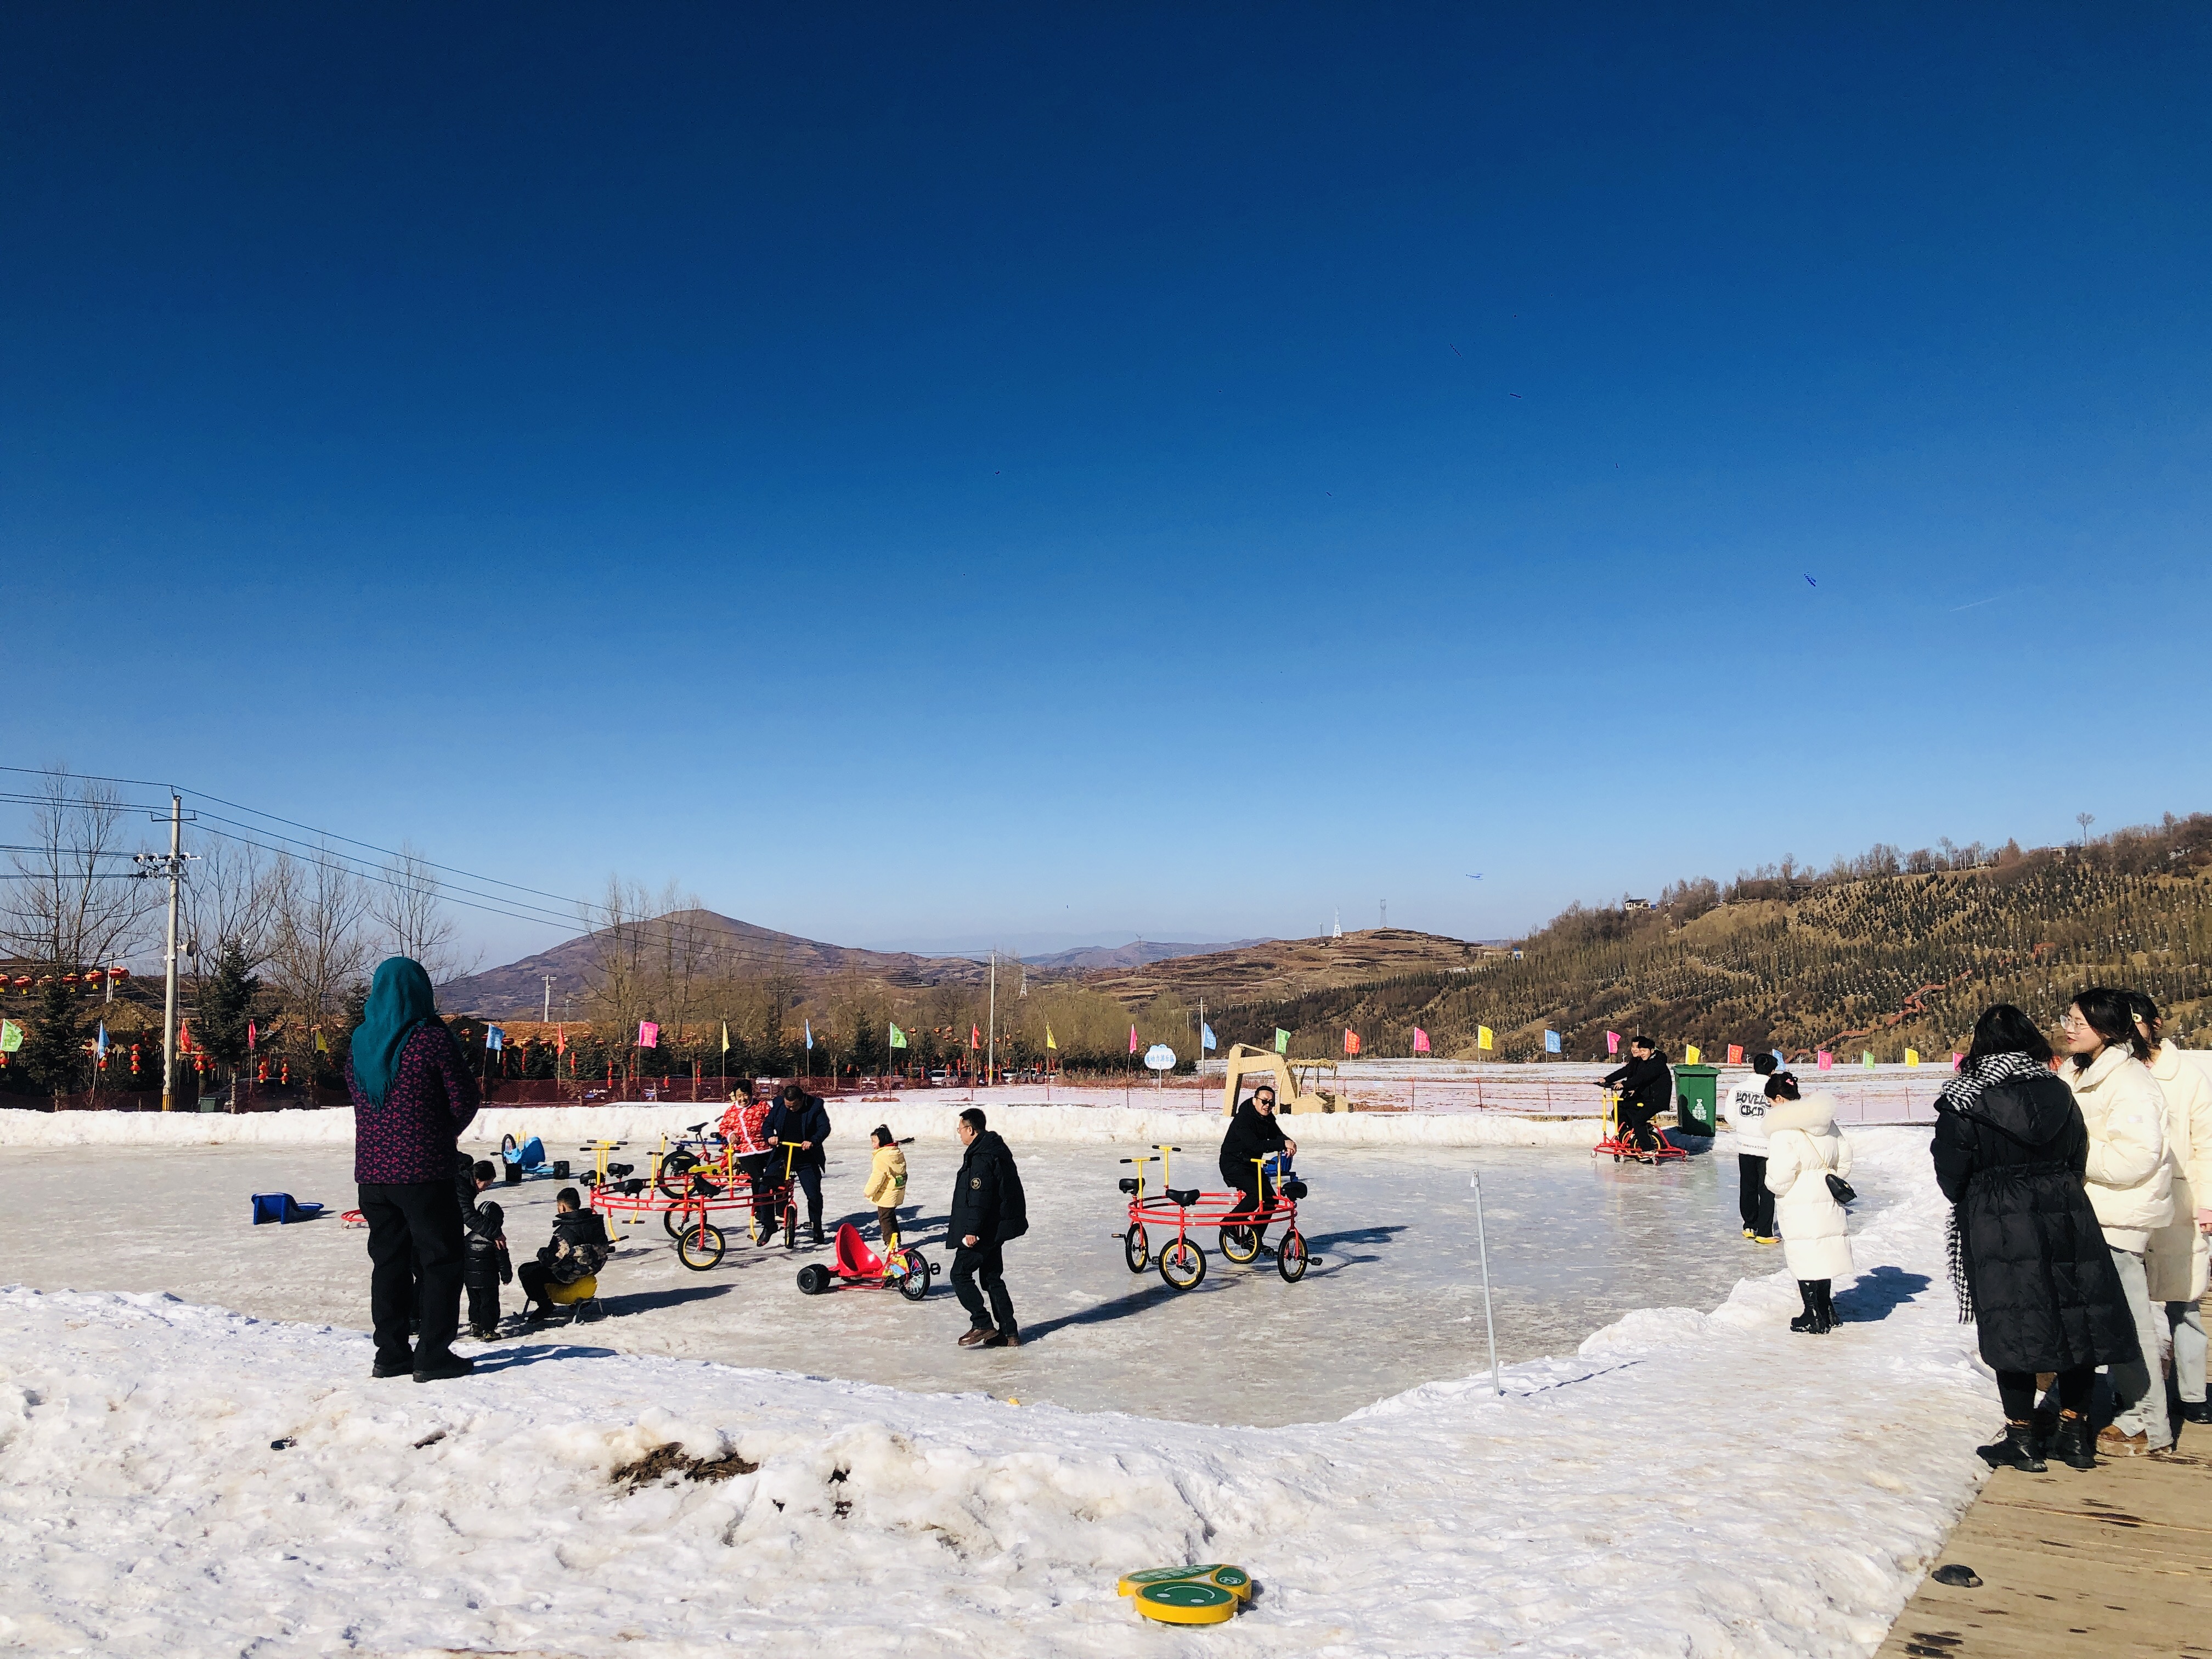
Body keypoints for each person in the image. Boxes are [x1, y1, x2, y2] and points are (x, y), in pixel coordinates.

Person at [1933, 1003, 2139, 1472]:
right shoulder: (2059, 1090)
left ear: (1980, 1046)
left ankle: (2023, 1440)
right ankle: (2075, 1435)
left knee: (2014, 1324)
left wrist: (1981, 1196)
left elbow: (1951, 1173)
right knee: (2075, 1321)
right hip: (2065, 1209)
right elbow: (2077, 1152)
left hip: (1997, 1217)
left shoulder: (1963, 1097)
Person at [348, 956, 482, 1384]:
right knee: (440, 1261)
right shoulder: (430, 1039)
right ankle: (432, 1355)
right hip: (423, 1172)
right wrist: (442, 1134)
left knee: (387, 1262)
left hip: (372, 1176)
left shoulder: (360, 1043)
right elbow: (463, 1099)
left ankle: (390, 1354)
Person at [2062, 986, 2175, 1457]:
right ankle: (2123, 1410)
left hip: (2118, 1217)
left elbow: (2137, 1156)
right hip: (2091, 1213)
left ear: (2107, 1030)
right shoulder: (2081, 1070)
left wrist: (2074, 1154)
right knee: (2105, 1322)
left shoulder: (2129, 1082)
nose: (2068, 1028)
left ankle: (2151, 1422)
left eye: (2079, 1023)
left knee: (2129, 1323)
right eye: (2066, 1019)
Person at [2132, 992, 2212, 1427]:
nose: (2131, 1033)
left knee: (2184, 1302)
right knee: (2130, 1305)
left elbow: (2207, 1143)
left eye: (2138, 1023)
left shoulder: (2188, 1077)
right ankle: (2138, 1393)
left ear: (2155, 1024)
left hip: (2180, 1204)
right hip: (2129, 1203)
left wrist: (2208, 1203)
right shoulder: (2116, 1072)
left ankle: (2193, 1394)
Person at [1762, 1072, 1853, 1335]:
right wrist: (1828, 1179)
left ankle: (1813, 1316)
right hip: (1827, 1197)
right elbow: (1845, 1159)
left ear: (1779, 1099)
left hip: (1799, 1200)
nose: (1770, 1107)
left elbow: (1780, 1177)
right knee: (1823, 1252)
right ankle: (1827, 1309)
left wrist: (1774, 1187)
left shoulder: (1783, 1131)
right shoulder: (1826, 1121)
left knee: (1805, 1256)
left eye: (1771, 1101)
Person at [946, 1107, 1026, 1348]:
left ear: (971, 1130)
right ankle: (1009, 1333)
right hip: (996, 1227)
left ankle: (982, 1323)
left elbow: (980, 1197)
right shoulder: (993, 1149)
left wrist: (971, 1231)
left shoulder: (981, 1157)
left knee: (959, 1274)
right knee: (992, 1277)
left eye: (960, 1129)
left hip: (984, 1230)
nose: (959, 1134)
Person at [1220, 1082, 1296, 1254]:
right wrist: (1282, 1143)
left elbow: (1277, 1135)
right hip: (1233, 1164)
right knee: (1256, 1195)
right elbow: (1255, 1145)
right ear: (1255, 1100)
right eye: (1264, 1101)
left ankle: (1253, 1239)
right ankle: (1229, 1222)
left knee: (1270, 1201)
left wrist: (1289, 1143)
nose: (1267, 1105)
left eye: (1271, 1103)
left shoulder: (1267, 1118)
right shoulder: (1244, 1119)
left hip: (1251, 1164)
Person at [518, 1187, 613, 1320]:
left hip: (570, 1274)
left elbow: (551, 1260)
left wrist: (542, 1253)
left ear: (562, 1207)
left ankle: (545, 1306)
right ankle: (584, 1299)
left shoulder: (565, 1231)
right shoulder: (595, 1223)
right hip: (592, 1268)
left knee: (526, 1271)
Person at [1724, 1052, 1782, 1242]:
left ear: (1753, 1067)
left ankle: (1749, 1225)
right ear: (1772, 1071)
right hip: (1768, 1147)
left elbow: (1730, 1117)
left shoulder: (1738, 1089)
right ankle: (1764, 1232)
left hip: (1745, 1145)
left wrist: (1743, 1128)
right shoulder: (1774, 1091)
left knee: (1747, 1186)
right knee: (1766, 1190)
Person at [765, 1081, 832, 1244]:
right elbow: (767, 1124)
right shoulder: (779, 1105)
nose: (790, 1108)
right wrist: (770, 1136)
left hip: (805, 1159)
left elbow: (825, 1128)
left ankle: (817, 1227)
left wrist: (813, 1141)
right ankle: (768, 1226)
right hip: (783, 1156)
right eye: (788, 1105)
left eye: (794, 1106)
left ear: (802, 1100)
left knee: (814, 1194)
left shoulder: (815, 1107)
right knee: (764, 1187)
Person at [455, 1155, 511, 1340]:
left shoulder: (467, 1239)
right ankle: (488, 1331)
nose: (484, 1189)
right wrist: (506, 1276)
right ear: (477, 1179)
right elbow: (468, 1215)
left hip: (470, 1280)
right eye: (486, 1185)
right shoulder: (495, 1241)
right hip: (488, 1282)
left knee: (475, 1302)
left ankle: (475, 1326)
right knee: (489, 1304)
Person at [720, 1090, 780, 1242]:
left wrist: (774, 1135)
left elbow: (775, 1120)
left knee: (776, 1177)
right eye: (739, 1096)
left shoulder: (761, 1106)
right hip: (745, 1151)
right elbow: (724, 1127)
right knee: (759, 1179)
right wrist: (730, 1135)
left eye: (745, 1095)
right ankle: (763, 1214)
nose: (743, 1099)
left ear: (751, 1094)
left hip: (765, 1148)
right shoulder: (732, 1111)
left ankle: (777, 1208)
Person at [1599, 1036, 1672, 1158]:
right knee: (1620, 1109)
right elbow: (1626, 1071)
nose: (1636, 1050)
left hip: (1655, 1099)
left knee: (1638, 1120)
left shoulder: (1655, 1063)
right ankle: (1629, 1136)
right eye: (1634, 1047)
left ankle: (1647, 1148)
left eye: (1640, 1049)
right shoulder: (1640, 1061)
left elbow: (1642, 1078)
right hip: (1647, 1097)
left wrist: (1624, 1085)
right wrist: (1607, 1080)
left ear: (1651, 1051)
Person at [864, 1125, 908, 1244]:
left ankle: (890, 1244)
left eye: (875, 1142)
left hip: (886, 1194)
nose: (873, 1145)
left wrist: (869, 1191)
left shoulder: (881, 1156)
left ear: (882, 1141)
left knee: (885, 1219)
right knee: (891, 1217)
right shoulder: (895, 1153)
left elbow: (878, 1177)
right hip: (896, 1191)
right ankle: (896, 1241)